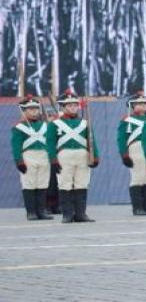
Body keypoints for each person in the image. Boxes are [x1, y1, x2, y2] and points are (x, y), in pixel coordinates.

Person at [47, 89, 99, 223]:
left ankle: (81, 214)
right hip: (64, 156)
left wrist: (96, 157)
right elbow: (50, 143)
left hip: (82, 155)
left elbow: (92, 141)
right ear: (63, 107)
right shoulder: (55, 124)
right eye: (70, 105)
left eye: (75, 105)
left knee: (82, 184)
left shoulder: (84, 123)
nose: (73, 108)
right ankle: (67, 214)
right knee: (65, 185)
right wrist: (53, 159)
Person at [11, 95, 52, 220]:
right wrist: (19, 161)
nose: (35, 111)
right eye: (31, 109)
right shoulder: (19, 127)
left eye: (36, 108)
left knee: (42, 183)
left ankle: (41, 211)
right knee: (29, 184)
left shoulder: (45, 125)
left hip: (44, 156)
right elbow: (16, 146)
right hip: (28, 156)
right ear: (24, 111)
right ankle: (31, 212)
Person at [117, 92, 146, 216]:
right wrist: (124, 155)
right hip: (136, 148)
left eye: (145, 103)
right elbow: (121, 139)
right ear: (132, 106)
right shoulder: (127, 121)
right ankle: (137, 207)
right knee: (138, 177)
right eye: (139, 103)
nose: (143, 106)